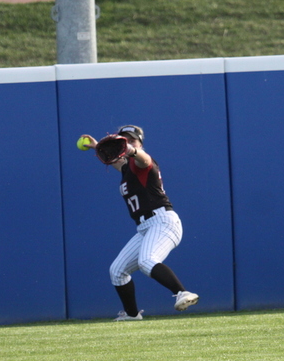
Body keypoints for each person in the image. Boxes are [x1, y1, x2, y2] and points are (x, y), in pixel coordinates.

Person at [80, 125, 199, 321]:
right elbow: (118, 163)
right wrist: (95, 146)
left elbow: (144, 159)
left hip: (163, 221)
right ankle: (132, 314)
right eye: (123, 140)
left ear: (140, 144)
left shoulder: (143, 162)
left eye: (132, 140)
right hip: (145, 227)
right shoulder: (127, 168)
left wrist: (133, 151)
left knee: (147, 261)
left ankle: (182, 293)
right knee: (117, 271)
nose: (127, 144)